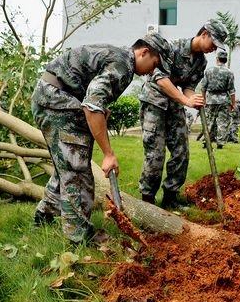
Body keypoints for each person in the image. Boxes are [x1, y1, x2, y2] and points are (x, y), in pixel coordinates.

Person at [31, 33, 172, 244]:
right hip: (57, 103)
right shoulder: (123, 64)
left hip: (52, 98)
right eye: (155, 63)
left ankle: (44, 218)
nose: (153, 71)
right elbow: (92, 106)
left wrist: (100, 109)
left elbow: (93, 98)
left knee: (66, 166)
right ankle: (79, 237)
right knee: (77, 171)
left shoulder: (119, 57)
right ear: (144, 52)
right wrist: (108, 154)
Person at [138, 19, 228, 209]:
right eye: (214, 43)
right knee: (155, 154)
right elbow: (160, 79)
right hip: (154, 102)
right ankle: (148, 200)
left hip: (174, 104)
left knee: (181, 152)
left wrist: (194, 98)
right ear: (204, 34)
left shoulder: (201, 62)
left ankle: (170, 197)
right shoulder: (172, 48)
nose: (214, 49)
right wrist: (186, 100)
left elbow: (188, 87)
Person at [199, 49, 236, 149]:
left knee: (209, 121)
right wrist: (233, 103)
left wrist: (204, 100)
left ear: (217, 59)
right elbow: (232, 90)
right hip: (224, 99)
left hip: (210, 99)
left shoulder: (209, 71)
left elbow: (203, 87)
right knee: (222, 122)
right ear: (225, 60)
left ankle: (206, 141)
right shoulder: (229, 72)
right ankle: (220, 143)